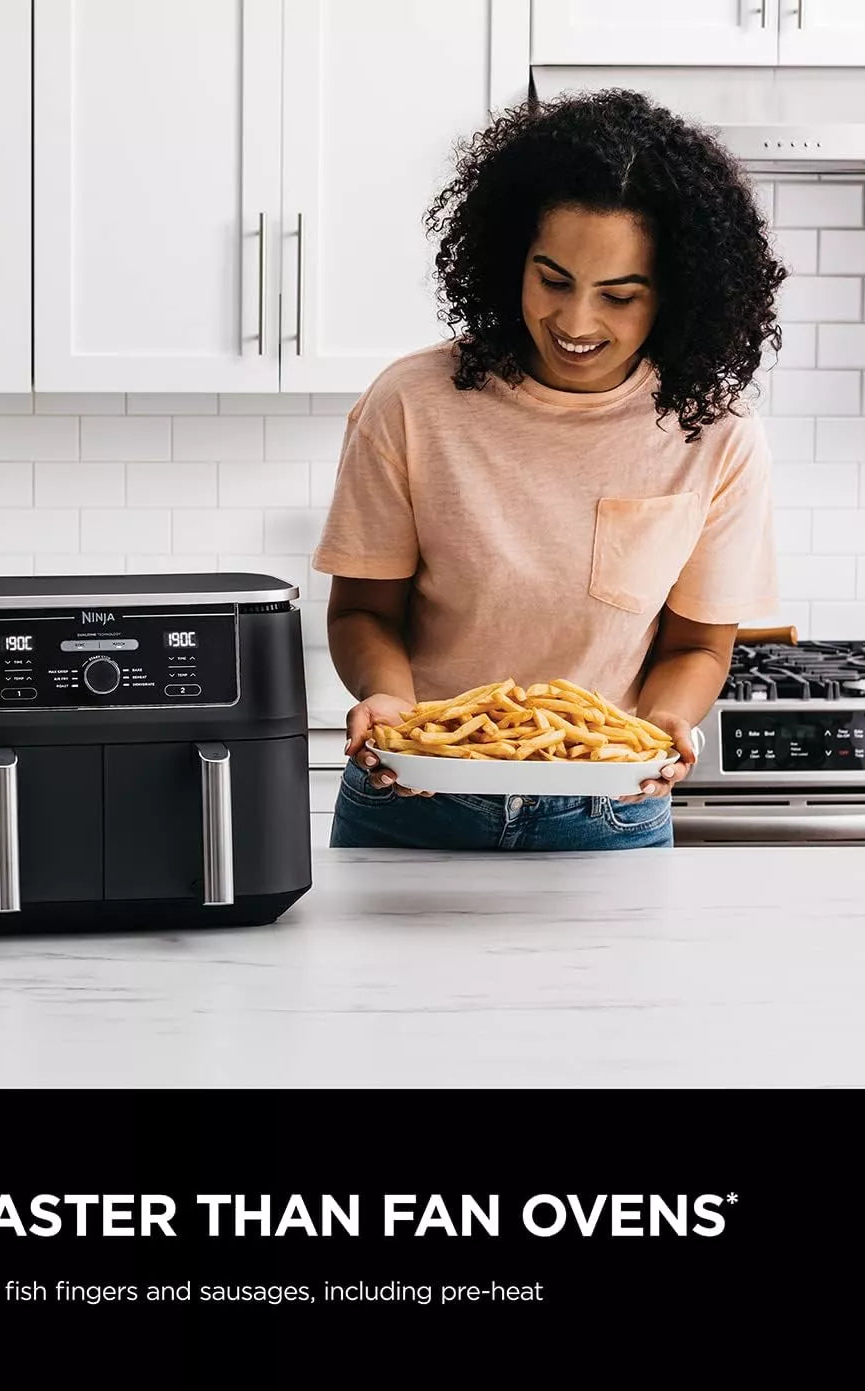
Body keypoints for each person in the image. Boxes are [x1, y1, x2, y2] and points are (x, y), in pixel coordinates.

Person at [311, 89, 784, 851]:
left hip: (611, 808)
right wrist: (392, 704)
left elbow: (697, 646)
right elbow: (362, 612)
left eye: (620, 296)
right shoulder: (412, 402)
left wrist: (667, 723)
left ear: (675, 294)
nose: (576, 323)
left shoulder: (715, 434)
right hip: (415, 793)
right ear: (511, 259)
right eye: (553, 279)